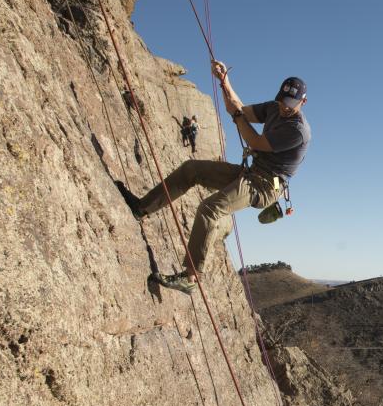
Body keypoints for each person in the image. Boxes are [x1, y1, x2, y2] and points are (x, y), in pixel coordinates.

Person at [116, 62, 310, 294]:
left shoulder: (298, 131)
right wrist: (224, 81)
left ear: (302, 102)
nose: (284, 108)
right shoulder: (273, 107)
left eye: (290, 105)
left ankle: (191, 276)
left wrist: (238, 117)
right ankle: (141, 208)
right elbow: (238, 108)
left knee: (210, 209)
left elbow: (256, 142)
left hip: (267, 185)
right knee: (191, 170)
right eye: (282, 101)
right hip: (251, 172)